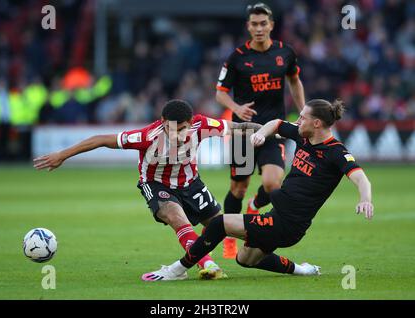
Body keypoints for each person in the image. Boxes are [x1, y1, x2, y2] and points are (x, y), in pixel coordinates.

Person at [142, 99, 374, 281]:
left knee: (218, 224)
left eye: (302, 117)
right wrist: (262, 133)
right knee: (245, 259)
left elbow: (361, 178)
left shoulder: (336, 152)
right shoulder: (304, 136)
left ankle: (176, 270)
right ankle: (302, 271)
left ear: (316, 123)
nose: (298, 120)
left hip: (289, 223)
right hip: (278, 215)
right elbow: (277, 123)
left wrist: (365, 198)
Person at [33, 99, 262, 280]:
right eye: (172, 130)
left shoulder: (201, 125)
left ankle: (278, 255)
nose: (178, 136)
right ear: (162, 121)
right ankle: (208, 265)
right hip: (157, 184)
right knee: (176, 216)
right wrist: (61, 155)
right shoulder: (146, 136)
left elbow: (238, 127)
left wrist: (277, 130)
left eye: (182, 129)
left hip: (191, 184)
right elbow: (100, 139)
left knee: (224, 227)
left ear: (191, 123)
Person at [216, 3, 306, 258]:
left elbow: (294, 81)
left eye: (263, 23)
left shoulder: (285, 53)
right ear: (248, 26)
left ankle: (254, 207)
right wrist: (237, 107)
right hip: (242, 132)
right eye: (254, 24)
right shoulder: (237, 58)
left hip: (273, 129)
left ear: (271, 25)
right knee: (238, 188)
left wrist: (303, 112)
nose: (258, 28)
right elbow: (220, 93)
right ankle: (229, 238)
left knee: (272, 182)